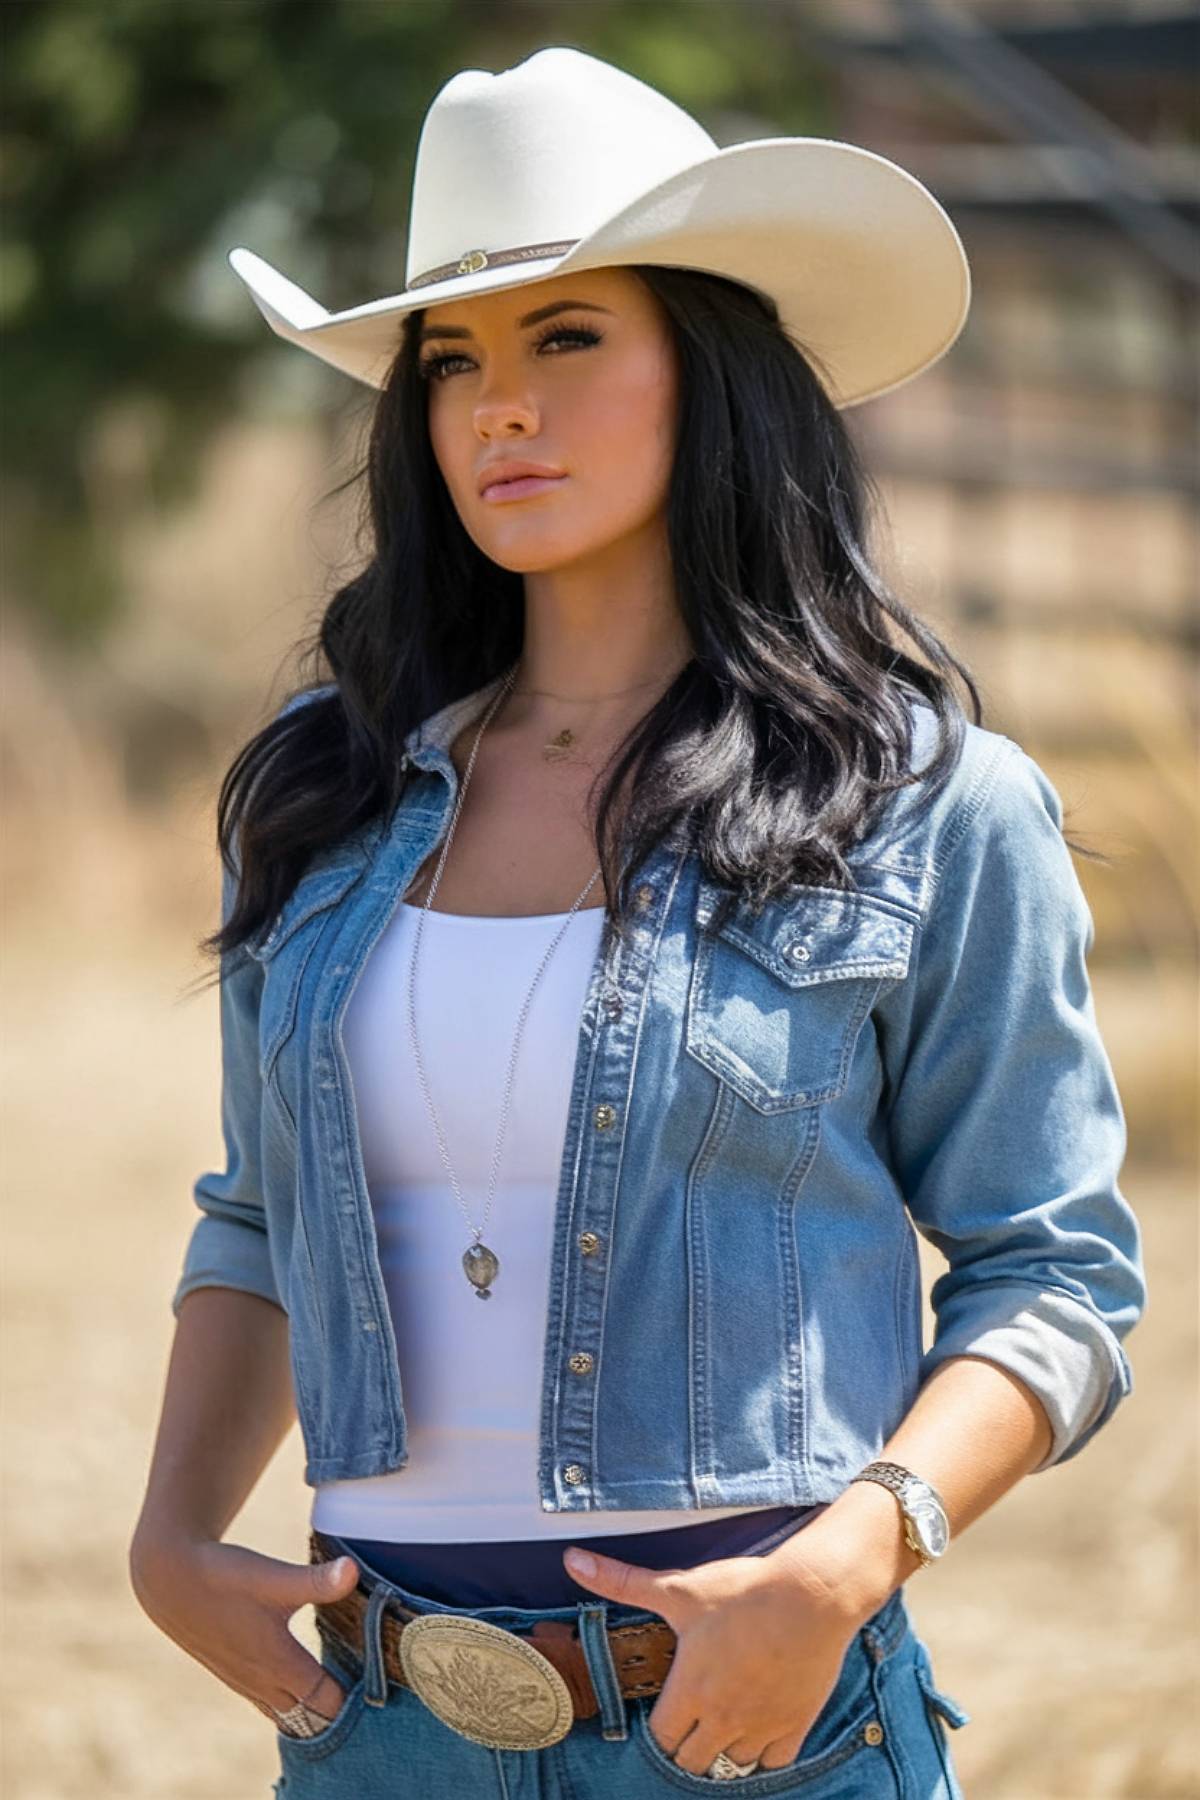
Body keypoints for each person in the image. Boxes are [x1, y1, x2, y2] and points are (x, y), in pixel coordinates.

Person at [128, 46, 1146, 1799]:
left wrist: (855, 1558)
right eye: (455, 361)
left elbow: (1057, 1277)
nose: (497, 408)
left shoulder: (922, 796)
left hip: (756, 1719)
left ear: (715, 369)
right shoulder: (327, 789)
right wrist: (168, 1540)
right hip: (383, 1730)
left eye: (568, 336)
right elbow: (258, 1220)